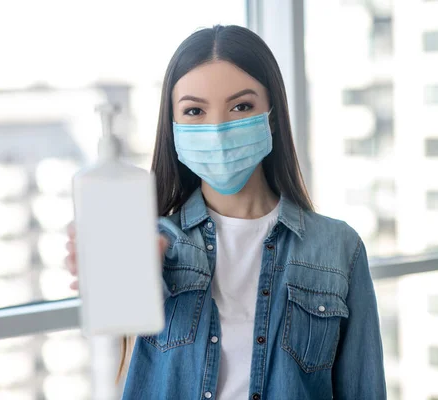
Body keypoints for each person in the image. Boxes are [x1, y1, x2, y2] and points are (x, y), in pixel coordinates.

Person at [66, 24, 386, 399]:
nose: (217, 128)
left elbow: (364, 390)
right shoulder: (155, 241)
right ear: (173, 127)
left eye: (241, 106)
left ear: (272, 114)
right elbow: (125, 297)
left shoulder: (338, 248)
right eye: (194, 110)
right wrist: (112, 273)